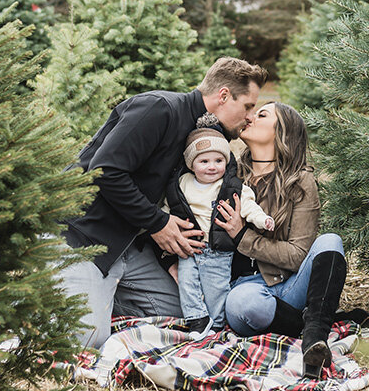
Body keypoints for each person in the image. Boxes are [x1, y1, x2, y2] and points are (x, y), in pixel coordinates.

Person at [57, 57, 268, 350]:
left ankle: (100, 295)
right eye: (247, 106)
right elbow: (105, 171)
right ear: (223, 96)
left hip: (128, 247)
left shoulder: (202, 137)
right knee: (85, 340)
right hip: (81, 238)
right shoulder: (159, 109)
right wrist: (157, 223)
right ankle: (65, 284)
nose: (250, 116)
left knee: (186, 312)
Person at [216, 102, 350, 380]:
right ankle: (307, 321)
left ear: (282, 132)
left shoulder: (300, 181)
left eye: (262, 115)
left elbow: (298, 255)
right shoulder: (229, 174)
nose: (250, 117)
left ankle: (314, 336)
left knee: (330, 241)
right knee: (244, 306)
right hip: (246, 288)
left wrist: (243, 236)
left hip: (288, 285)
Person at [165, 118, 274, 335]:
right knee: (187, 286)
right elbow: (169, 208)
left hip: (218, 251)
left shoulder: (230, 187)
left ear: (226, 161)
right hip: (190, 248)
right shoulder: (182, 184)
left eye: (218, 160)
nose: (212, 167)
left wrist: (262, 220)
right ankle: (196, 320)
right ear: (190, 164)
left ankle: (216, 325)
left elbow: (248, 207)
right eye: (203, 161)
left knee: (216, 290)